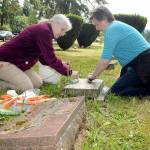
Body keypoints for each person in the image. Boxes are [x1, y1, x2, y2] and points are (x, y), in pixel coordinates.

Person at [0, 14, 78, 92]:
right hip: (4, 61)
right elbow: (51, 59)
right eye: (62, 29)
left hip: (18, 64)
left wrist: (62, 65)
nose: (63, 34)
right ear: (55, 23)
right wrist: (68, 72)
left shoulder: (45, 30)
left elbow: (45, 58)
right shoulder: (44, 31)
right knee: (27, 87)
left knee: (38, 83)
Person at [88, 6, 150, 97]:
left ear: (104, 19)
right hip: (137, 64)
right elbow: (112, 54)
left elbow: (105, 61)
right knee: (119, 88)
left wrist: (93, 76)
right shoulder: (115, 26)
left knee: (115, 92)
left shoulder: (111, 30)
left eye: (97, 24)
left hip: (143, 64)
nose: (96, 28)